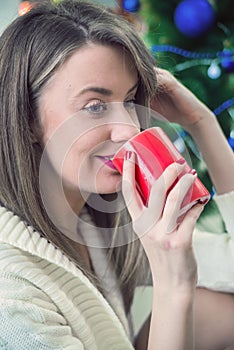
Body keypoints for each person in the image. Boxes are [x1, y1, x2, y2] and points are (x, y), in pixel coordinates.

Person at [0, 1, 233, 349]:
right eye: (94, 107)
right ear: (28, 118)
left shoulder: (100, 219)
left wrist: (202, 124)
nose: (129, 129)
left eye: (130, 101)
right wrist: (173, 281)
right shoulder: (11, 293)